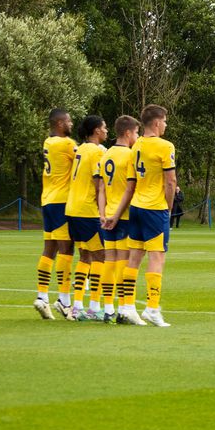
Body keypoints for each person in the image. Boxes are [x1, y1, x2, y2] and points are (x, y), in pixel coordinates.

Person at [105, 104, 176, 327]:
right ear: (156, 122)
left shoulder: (135, 147)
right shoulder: (165, 146)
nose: (165, 125)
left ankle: (126, 307)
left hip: (135, 208)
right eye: (164, 121)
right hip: (154, 209)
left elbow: (130, 185)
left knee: (134, 258)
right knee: (157, 257)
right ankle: (152, 308)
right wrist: (169, 208)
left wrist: (117, 215)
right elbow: (171, 181)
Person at [34, 109, 77, 320]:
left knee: (48, 249)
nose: (71, 123)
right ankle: (64, 300)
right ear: (60, 123)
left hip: (47, 199)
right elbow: (86, 156)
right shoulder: (67, 144)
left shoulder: (48, 142)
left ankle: (42, 297)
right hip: (61, 201)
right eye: (68, 120)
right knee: (66, 248)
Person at [65, 115, 108, 321]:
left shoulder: (80, 148)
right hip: (87, 210)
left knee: (85, 257)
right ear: (97, 131)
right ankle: (94, 307)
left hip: (72, 208)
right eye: (105, 127)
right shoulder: (97, 151)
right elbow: (98, 182)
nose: (107, 131)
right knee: (101, 256)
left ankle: (77, 306)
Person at [100, 115, 139, 325]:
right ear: (127, 133)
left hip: (107, 213)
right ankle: (124, 308)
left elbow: (101, 189)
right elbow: (130, 189)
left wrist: (102, 213)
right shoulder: (130, 155)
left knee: (109, 260)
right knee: (124, 262)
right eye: (136, 133)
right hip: (123, 215)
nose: (138, 136)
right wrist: (116, 215)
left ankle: (108, 309)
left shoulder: (106, 155)